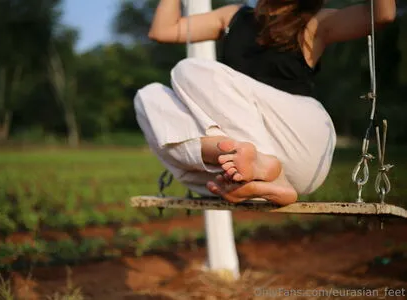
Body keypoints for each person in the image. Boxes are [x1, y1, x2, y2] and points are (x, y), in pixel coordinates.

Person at [133, 0, 397, 206]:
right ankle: (238, 165)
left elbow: (381, 15)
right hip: (253, 163)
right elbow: (162, 30)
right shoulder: (233, 17)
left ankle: (261, 165)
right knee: (148, 97)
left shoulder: (317, 22)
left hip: (299, 142)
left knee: (188, 70)